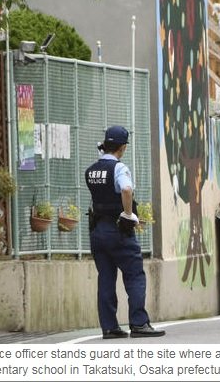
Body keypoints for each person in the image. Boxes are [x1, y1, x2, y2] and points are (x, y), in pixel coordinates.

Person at [85, 126, 165, 339]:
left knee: (106, 278)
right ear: (123, 147)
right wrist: (128, 215)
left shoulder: (92, 169)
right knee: (134, 276)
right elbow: (126, 189)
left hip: (97, 231)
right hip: (118, 230)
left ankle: (110, 327)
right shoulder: (120, 169)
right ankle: (139, 324)